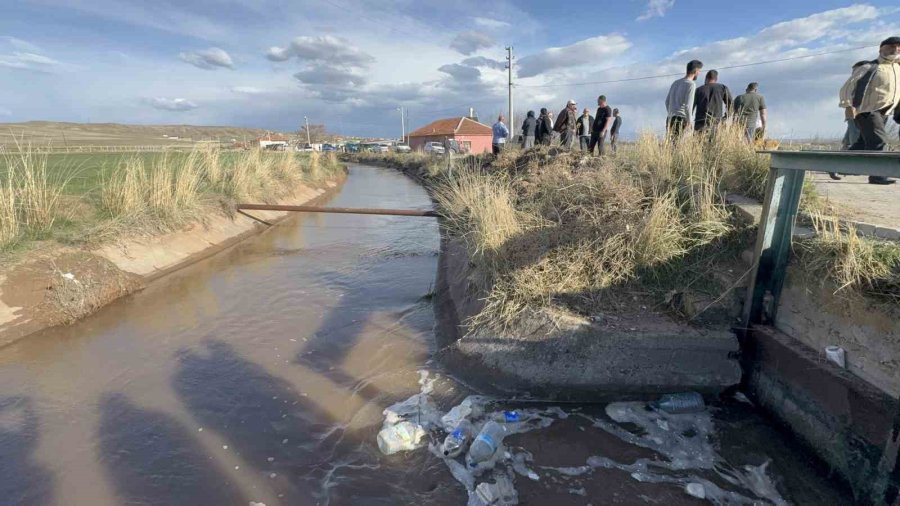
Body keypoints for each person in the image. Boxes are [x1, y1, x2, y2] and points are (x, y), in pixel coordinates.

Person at [841, 36, 900, 184]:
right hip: (867, 110)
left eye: (898, 47)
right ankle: (877, 176)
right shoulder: (869, 67)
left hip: (884, 112)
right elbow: (847, 87)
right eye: (891, 46)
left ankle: (837, 165)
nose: (895, 49)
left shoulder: (897, 68)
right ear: (881, 49)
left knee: (862, 144)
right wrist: (848, 106)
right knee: (879, 141)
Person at [830, 61, 870, 180]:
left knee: (847, 144)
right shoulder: (858, 84)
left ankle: (834, 167)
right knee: (856, 144)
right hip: (857, 118)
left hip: (854, 118)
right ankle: (851, 168)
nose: (853, 73)